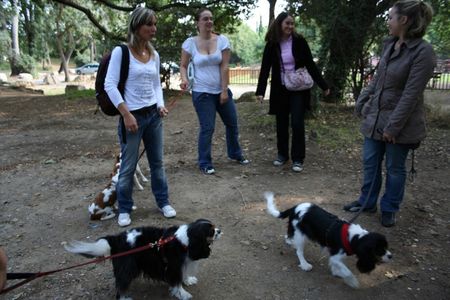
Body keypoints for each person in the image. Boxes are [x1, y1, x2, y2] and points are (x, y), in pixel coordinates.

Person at [343, 0, 435, 227]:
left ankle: (389, 208)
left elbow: (411, 95)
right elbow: (377, 80)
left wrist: (393, 127)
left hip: (400, 124)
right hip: (375, 118)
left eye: (391, 17)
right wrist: (362, 101)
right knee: (370, 162)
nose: (388, 22)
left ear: (404, 20)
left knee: (394, 168)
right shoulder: (390, 44)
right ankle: (367, 201)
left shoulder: (423, 52)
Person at [105, 7, 176, 227]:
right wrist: (126, 114)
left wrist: (161, 105)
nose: (154, 28)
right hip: (132, 117)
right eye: (149, 24)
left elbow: (156, 84)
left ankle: (163, 202)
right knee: (128, 165)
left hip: (153, 116)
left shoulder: (154, 54)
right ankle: (124, 208)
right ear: (137, 26)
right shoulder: (121, 52)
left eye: (155, 24)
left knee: (158, 163)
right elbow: (110, 85)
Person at [256, 12, 330, 173]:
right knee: (281, 123)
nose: (290, 26)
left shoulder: (299, 41)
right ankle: (282, 155)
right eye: (287, 23)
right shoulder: (272, 44)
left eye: (292, 24)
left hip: (298, 88)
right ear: (280, 24)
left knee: (297, 123)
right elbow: (265, 68)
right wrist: (260, 91)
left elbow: (310, 64)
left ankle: (298, 158)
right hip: (280, 89)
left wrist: (324, 85)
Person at [180, 8, 249, 175]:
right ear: (198, 23)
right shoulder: (190, 43)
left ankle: (235, 153)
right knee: (207, 127)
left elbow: (225, 66)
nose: (209, 22)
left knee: (232, 123)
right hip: (201, 92)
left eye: (211, 19)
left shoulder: (222, 40)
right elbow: (183, 65)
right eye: (205, 19)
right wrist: (184, 79)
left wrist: (224, 90)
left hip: (221, 90)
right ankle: (205, 162)